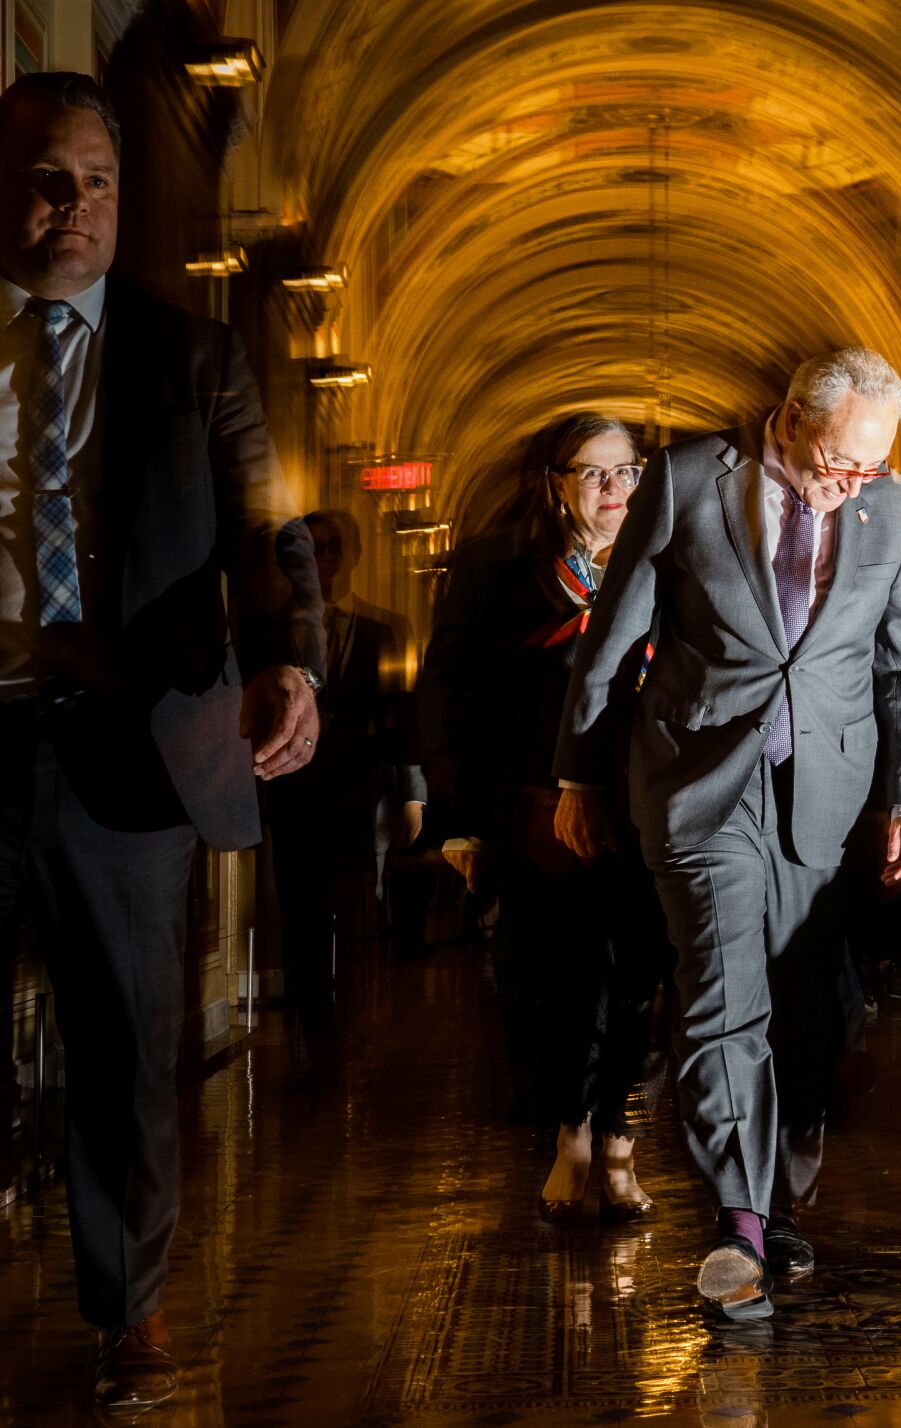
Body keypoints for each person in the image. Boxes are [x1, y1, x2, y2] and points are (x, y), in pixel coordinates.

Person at [0, 73, 323, 1413]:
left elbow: (268, 525)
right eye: (43, 175)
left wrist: (294, 655)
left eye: (96, 180)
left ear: (122, 199)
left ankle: (128, 1306)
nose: (69, 205)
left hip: (131, 754)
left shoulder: (193, 356)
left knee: (130, 1044)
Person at [554, 347, 901, 1320]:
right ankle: (737, 1222)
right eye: (842, 460)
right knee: (723, 994)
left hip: (828, 789)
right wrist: (579, 772)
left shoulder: (890, 509)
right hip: (697, 782)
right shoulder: (691, 480)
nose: (855, 481)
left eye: (873, 465)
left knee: (808, 1008)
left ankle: (778, 1198)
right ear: (793, 418)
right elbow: (615, 630)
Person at [418, 413, 669, 1224]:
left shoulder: (667, 562)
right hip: (532, 813)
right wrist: (457, 819)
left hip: (641, 808)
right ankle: (571, 1135)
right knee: (553, 982)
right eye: (593, 474)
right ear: (555, 482)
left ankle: (620, 1137)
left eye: (627, 472)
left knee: (640, 977)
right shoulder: (500, 567)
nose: (612, 490)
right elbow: (447, 690)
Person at [264, 508, 424, 1073]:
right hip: (291, 798)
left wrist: (412, 794)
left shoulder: (384, 631)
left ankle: (353, 1026)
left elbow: (406, 717)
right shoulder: (267, 632)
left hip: (358, 797)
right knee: (303, 919)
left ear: (351, 555)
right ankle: (319, 1041)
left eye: (333, 547)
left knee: (353, 916)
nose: (324, 559)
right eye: (312, 549)